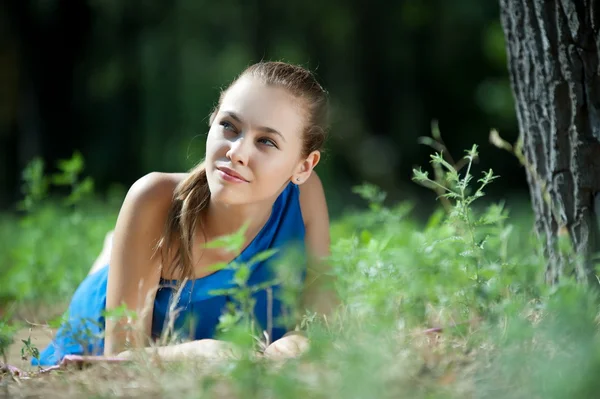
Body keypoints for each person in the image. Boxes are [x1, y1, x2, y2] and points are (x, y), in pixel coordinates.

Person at [33, 61, 338, 366]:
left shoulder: (304, 196)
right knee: (111, 271)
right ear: (212, 120)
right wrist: (193, 353)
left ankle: (112, 247)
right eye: (229, 126)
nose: (236, 153)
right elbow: (119, 356)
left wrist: (299, 342)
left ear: (303, 167)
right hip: (99, 320)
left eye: (266, 141)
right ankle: (114, 253)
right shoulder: (152, 198)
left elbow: (321, 313)